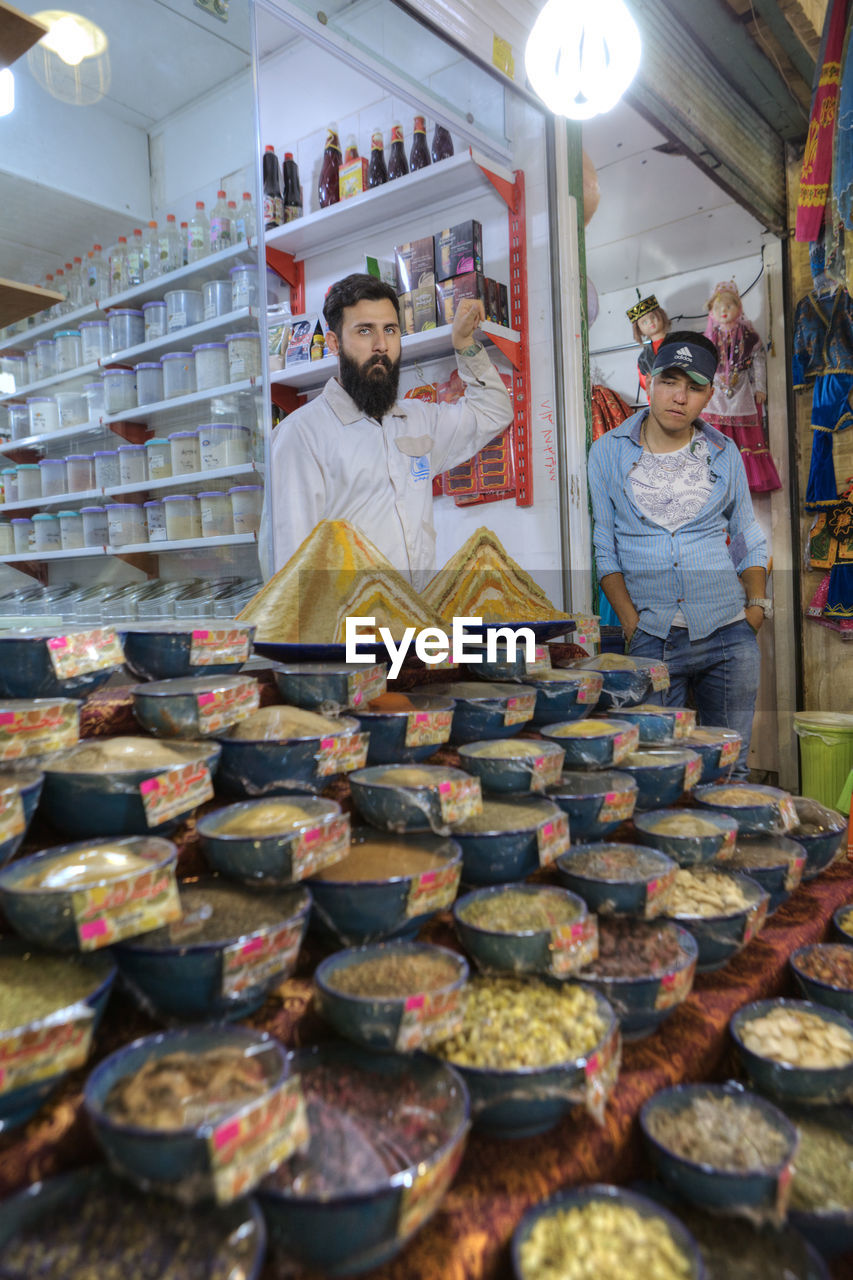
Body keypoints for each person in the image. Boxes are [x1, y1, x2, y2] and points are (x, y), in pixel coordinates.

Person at [587, 331, 770, 777]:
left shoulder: (724, 454)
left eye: (693, 386)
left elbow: (747, 532)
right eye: (670, 381)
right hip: (653, 636)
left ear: (708, 393)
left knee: (729, 768)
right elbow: (605, 549)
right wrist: (631, 621)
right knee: (659, 769)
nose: (679, 396)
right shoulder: (608, 452)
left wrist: (757, 607)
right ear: (649, 380)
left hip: (729, 632)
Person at [264, 272, 513, 580]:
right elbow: (289, 576)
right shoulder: (300, 436)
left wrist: (464, 343)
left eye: (390, 330)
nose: (381, 345)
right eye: (365, 331)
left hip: (417, 622)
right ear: (334, 343)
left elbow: (493, 411)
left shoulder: (417, 420)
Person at [702, 280, 781, 493]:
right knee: (716, 436)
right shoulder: (708, 339)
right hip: (716, 394)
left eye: (729, 306)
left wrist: (760, 388)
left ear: (739, 308)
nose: (724, 311)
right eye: (718, 308)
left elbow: (759, 360)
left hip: (742, 390)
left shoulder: (748, 335)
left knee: (745, 435)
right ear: (711, 312)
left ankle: (742, 482)